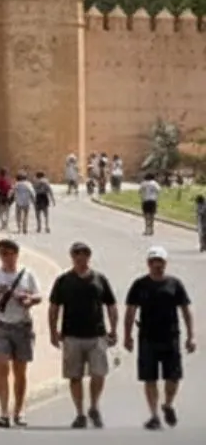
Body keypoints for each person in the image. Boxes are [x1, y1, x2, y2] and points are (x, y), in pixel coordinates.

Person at [124, 245, 197, 430]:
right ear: (148, 264)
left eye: (161, 262)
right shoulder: (139, 285)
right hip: (147, 338)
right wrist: (127, 336)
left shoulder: (175, 284)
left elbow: (186, 310)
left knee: (173, 376)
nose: (157, 265)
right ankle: (154, 415)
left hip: (171, 336)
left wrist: (191, 336)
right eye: (154, 262)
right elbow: (130, 311)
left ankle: (168, 404)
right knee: (150, 378)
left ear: (165, 263)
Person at [48, 240, 118, 429]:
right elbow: (54, 307)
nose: (81, 257)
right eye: (77, 253)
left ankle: (94, 406)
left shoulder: (99, 279)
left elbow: (111, 305)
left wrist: (114, 329)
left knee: (99, 373)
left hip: (97, 335)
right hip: (71, 335)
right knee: (74, 376)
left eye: (84, 253)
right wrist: (53, 331)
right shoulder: (63, 281)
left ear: (89, 256)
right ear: (72, 257)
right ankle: (80, 413)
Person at [0, 237, 42, 428]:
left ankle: (19, 411)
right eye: (2, 253)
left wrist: (27, 298)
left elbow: (38, 295)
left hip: (21, 325)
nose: (5, 257)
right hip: (0, 325)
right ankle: (4, 412)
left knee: (20, 371)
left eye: (8, 253)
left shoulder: (27, 275)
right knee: (2, 366)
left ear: (16, 254)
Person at [141, 172, 165, 237]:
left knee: (146, 216)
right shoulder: (154, 183)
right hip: (153, 201)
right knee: (152, 216)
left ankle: (147, 229)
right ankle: (151, 229)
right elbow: (159, 190)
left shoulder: (143, 183)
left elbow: (140, 191)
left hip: (145, 201)